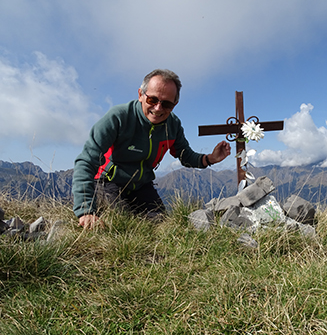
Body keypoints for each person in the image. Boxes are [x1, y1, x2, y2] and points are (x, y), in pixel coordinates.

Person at [72, 69, 231, 229]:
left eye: (167, 104)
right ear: (141, 94)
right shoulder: (118, 117)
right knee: (122, 224)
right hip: (108, 182)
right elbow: (86, 161)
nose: (158, 108)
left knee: (163, 227)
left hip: (142, 186)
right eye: (152, 99)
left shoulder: (173, 125)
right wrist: (85, 210)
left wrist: (210, 158)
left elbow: (185, 155)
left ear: (175, 104)